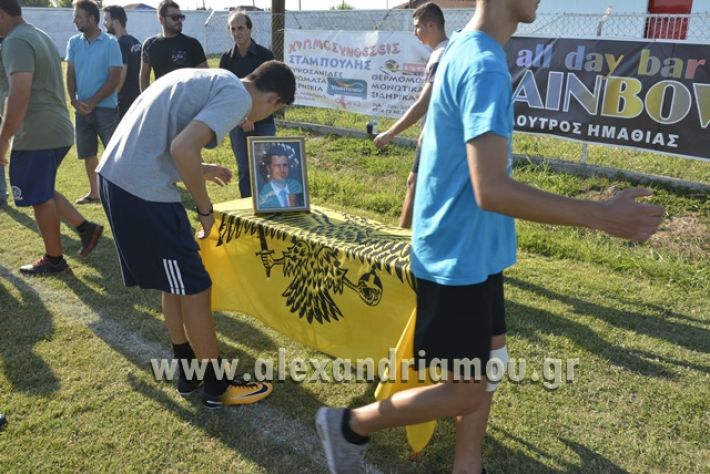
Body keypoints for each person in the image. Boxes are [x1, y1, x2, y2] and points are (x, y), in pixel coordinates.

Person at [315, 1, 666, 473]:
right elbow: (491, 189)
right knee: (468, 388)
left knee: (489, 366)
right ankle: (349, 425)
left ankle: (468, 465)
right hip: (456, 256)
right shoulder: (482, 63)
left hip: (475, 250)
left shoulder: (467, 46)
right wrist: (600, 215)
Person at [96, 61, 296, 407]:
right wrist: (205, 210)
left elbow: (163, 140)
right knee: (196, 287)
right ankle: (218, 387)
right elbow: (182, 148)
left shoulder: (209, 78)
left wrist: (201, 169)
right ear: (275, 100)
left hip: (120, 179)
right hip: (142, 192)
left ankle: (187, 370)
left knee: (174, 283)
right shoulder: (235, 95)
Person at [0, 0, 103, 275]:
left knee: (36, 194)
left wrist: (3, 139)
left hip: (37, 132)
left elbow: (19, 92)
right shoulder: (36, 34)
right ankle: (85, 227)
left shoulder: (15, 41)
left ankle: (55, 259)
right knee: (40, 187)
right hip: (56, 128)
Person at [372, 2, 448, 229]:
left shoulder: (440, 55)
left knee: (414, 184)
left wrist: (390, 133)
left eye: (417, 27)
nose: (414, 32)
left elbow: (423, 103)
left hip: (436, 133)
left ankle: (401, 242)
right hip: (441, 132)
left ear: (431, 25)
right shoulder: (446, 51)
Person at [66, 0, 122, 205]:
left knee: (113, 152)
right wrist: (73, 100)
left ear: (92, 18)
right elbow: (70, 74)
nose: (74, 20)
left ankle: (118, 193)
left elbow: (115, 78)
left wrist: (93, 101)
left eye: (78, 16)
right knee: (88, 152)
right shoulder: (73, 42)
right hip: (81, 109)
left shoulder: (111, 43)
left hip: (106, 109)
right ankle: (95, 193)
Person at [220, 10, 275, 198]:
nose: (237, 33)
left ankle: (268, 208)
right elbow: (225, 94)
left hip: (264, 122)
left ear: (250, 29)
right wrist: (243, 119)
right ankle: (247, 212)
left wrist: (252, 116)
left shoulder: (266, 56)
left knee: (266, 169)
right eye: (233, 29)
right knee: (244, 171)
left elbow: (272, 92)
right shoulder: (226, 59)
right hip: (237, 123)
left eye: (241, 28)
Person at [140, 0, 207, 92]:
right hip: (162, 101)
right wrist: (147, 100)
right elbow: (144, 76)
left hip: (188, 102)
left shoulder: (192, 44)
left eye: (181, 17)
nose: (179, 20)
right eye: (175, 18)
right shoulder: (150, 44)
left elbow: (204, 76)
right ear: (161, 19)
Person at [102, 5, 141, 119]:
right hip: (137, 98)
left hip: (124, 101)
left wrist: (112, 99)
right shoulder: (135, 42)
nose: (104, 23)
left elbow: (121, 74)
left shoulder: (118, 44)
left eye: (106, 20)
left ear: (116, 22)